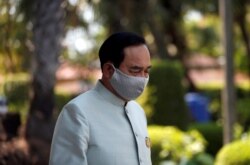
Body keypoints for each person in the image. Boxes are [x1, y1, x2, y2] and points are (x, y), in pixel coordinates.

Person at [49, 32, 152, 165]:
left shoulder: (138, 112)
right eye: (135, 70)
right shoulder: (78, 113)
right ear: (109, 70)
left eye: (146, 71)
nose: (143, 78)